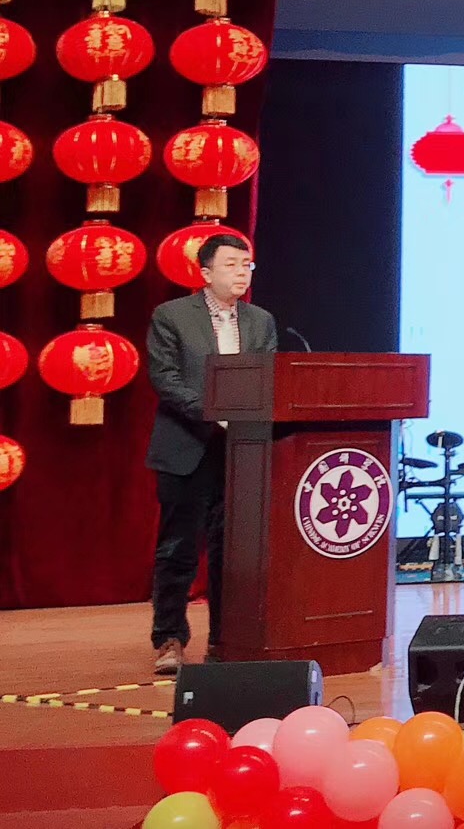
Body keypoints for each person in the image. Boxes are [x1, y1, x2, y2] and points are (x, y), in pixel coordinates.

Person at [145, 234, 278, 675]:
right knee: (178, 550)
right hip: (186, 446)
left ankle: (226, 639)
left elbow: (268, 378)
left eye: (247, 265)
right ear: (205, 273)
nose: (242, 273)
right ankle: (169, 639)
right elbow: (165, 379)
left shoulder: (260, 321)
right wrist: (214, 413)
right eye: (231, 265)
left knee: (232, 552)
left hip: (241, 454)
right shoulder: (172, 316)